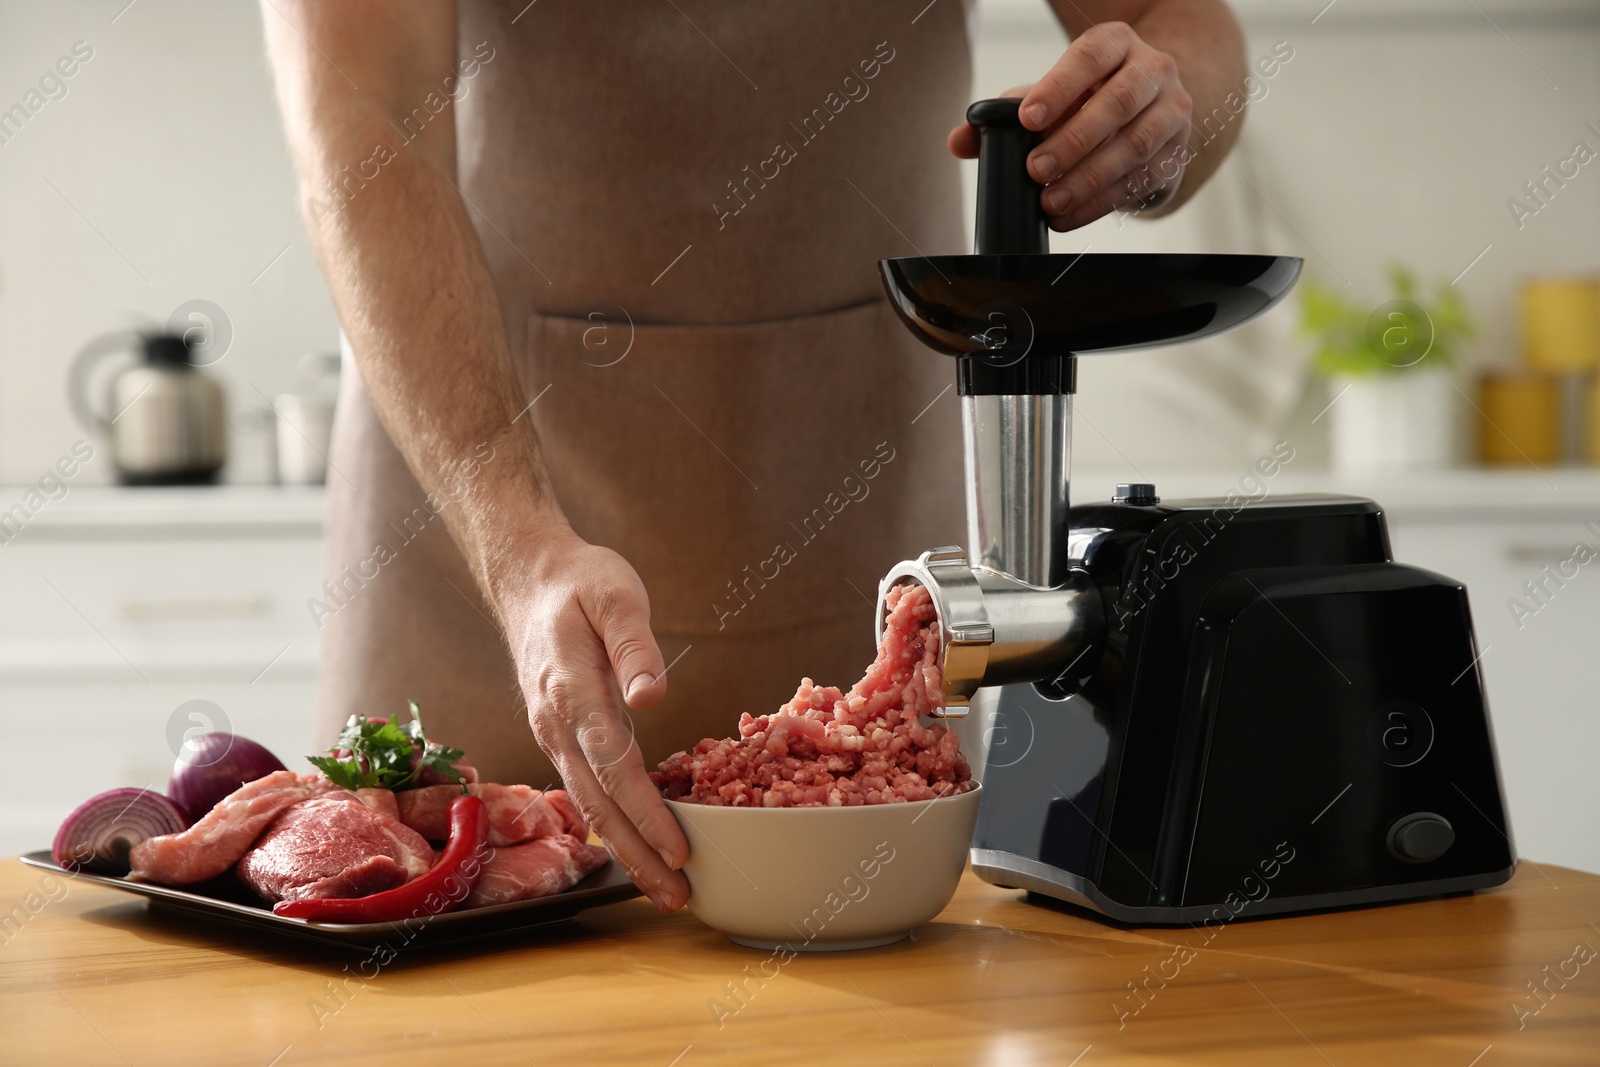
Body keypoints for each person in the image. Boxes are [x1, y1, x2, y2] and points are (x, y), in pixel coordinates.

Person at [260, 0, 1247, 913]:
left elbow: (1179, 26)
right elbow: (364, 131)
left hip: (855, 491)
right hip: (483, 511)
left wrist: (1161, 115)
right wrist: (515, 548)